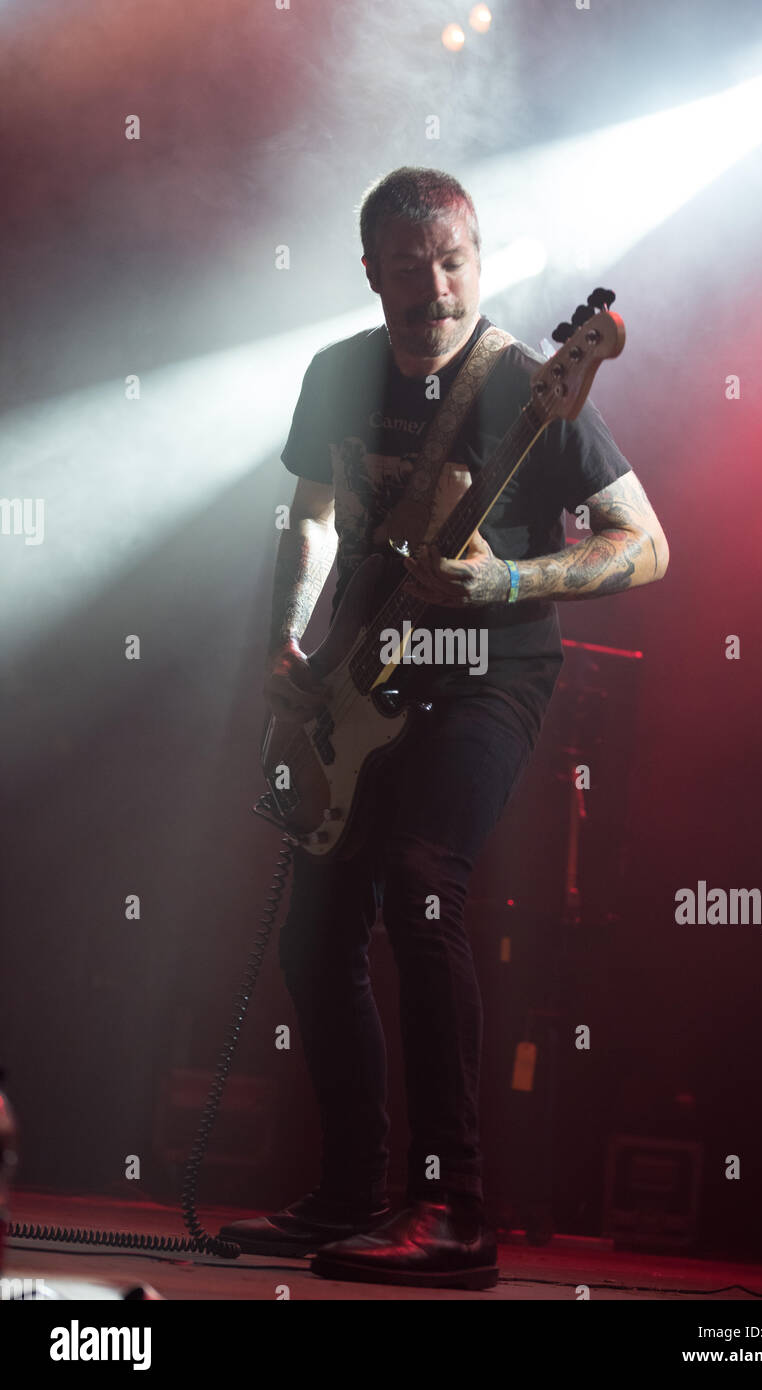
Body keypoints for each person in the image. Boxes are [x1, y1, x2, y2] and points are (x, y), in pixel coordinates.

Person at [220, 167, 669, 1289]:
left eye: (456, 261)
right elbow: (314, 512)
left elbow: (646, 543)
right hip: (361, 671)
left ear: (481, 256)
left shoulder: (526, 383)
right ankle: (348, 1195)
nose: (437, 288)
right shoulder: (337, 375)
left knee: (424, 884)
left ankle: (456, 1207)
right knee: (313, 933)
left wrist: (508, 577)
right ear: (369, 272)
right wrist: (289, 643)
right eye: (410, 269)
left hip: (489, 670)